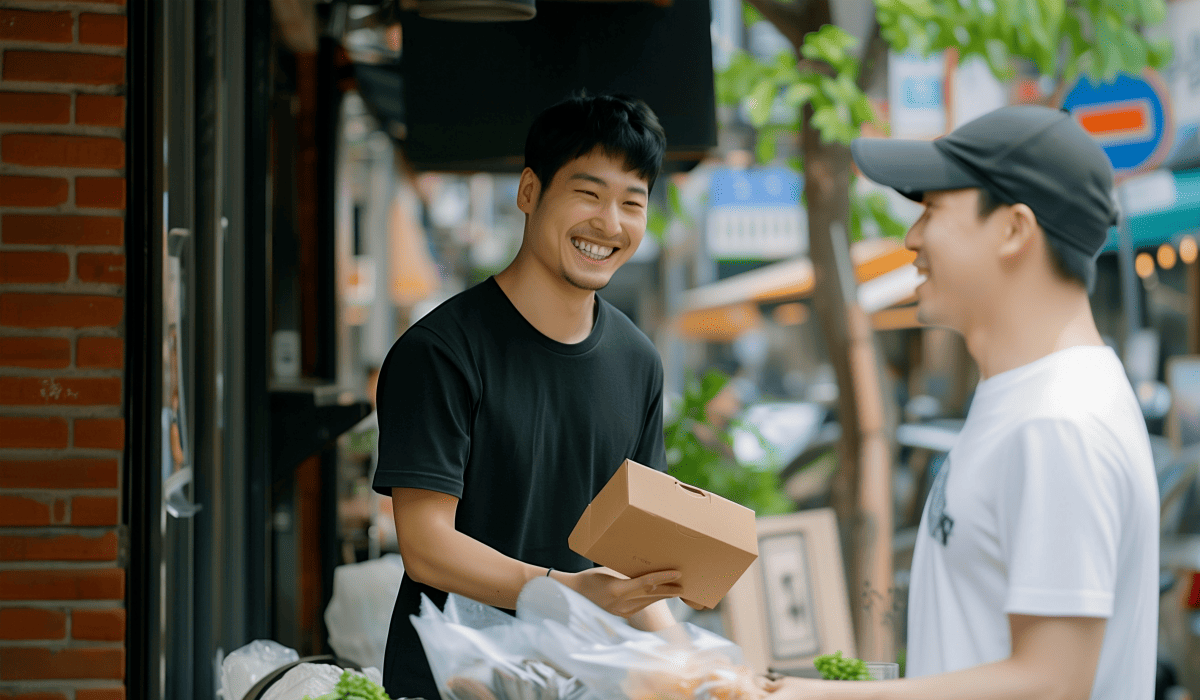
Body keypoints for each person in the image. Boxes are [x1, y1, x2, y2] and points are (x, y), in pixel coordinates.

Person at [770, 105, 1158, 699]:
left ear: (1014, 229)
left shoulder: (1059, 422)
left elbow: (1050, 683)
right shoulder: (1030, 399)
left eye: (933, 209)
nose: (912, 237)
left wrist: (808, 695)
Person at [371, 93, 686, 700]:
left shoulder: (639, 362)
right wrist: (559, 594)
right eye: (588, 194)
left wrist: (691, 665)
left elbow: (633, 554)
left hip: (587, 684)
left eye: (632, 202)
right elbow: (426, 546)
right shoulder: (441, 351)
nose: (610, 223)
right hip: (451, 681)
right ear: (528, 192)